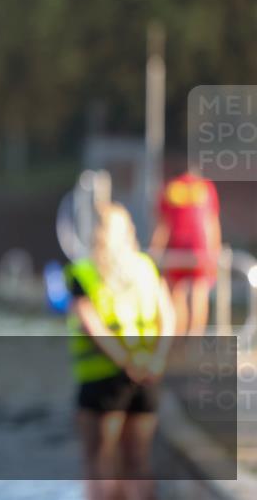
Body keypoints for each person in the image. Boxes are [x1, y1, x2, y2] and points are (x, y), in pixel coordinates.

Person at [66, 203, 175, 500]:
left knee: (99, 461)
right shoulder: (146, 266)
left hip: (103, 379)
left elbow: (91, 325)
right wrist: (156, 360)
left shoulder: (83, 271)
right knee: (138, 461)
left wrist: (126, 363)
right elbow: (168, 316)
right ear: (130, 232)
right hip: (148, 375)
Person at [150, 170, 221, 336]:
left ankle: (178, 337)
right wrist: (214, 251)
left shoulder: (171, 188)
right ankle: (194, 337)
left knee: (177, 293)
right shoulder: (204, 187)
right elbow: (211, 222)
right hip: (199, 248)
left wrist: (155, 250)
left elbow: (163, 225)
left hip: (177, 247)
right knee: (198, 293)